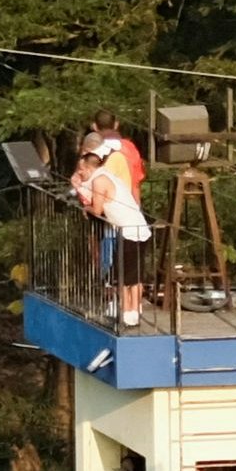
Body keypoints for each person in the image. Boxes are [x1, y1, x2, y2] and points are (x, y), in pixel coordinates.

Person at [74, 133, 151, 328]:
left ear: (89, 167)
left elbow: (98, 209)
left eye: (81, 169)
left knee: (124, 277)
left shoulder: (100, 181)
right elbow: (96, 194)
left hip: (128, 231)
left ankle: (127, 312)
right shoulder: (105, 176)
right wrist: (79, 186)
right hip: (137, 228)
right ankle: (134, 309)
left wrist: (86, 209)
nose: (80, 172)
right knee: (135, 274)